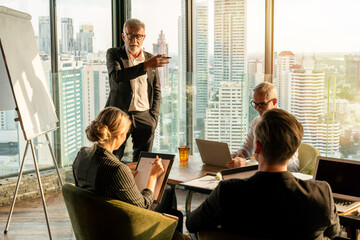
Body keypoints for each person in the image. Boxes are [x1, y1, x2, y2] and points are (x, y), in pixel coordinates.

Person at [186, 109, 340, 239]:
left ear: (257, 147)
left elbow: (192, 224)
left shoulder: (229, 191)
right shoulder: (321, 193)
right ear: (294, 149)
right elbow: (334, 232)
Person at [73, 107, 183, 232]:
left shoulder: (82, 155)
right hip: (120, 227)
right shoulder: (117, 170)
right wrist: (153, 175)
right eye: (126, 134)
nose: (126, 137)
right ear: (118, 136)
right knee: (171, 201)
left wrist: (124, 169)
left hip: (94, 223)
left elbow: (100, 173)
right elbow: (144, 206)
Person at [105, 18, 169, 162]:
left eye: (138, 36)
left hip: (145, 116)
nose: (134, 40)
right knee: (112, 158)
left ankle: (138, 185)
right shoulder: (114, 54)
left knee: (143, 161)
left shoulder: (149, 58)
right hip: (120, 115)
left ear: (143, 37)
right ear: (123, 36)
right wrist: (145, 66)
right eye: (130, 35)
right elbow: (116, 77)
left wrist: (153, 118)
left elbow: (156, 90)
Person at [227, 82, 300, 172]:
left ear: (274, 102)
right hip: (261, 170)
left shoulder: (287, 123)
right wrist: (240, 155)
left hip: (287, 171)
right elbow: (247, 147)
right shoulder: (256, 121)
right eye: (255, 104)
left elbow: (286, 158)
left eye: (262, 104)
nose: (258, 108)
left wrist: (249, 160)